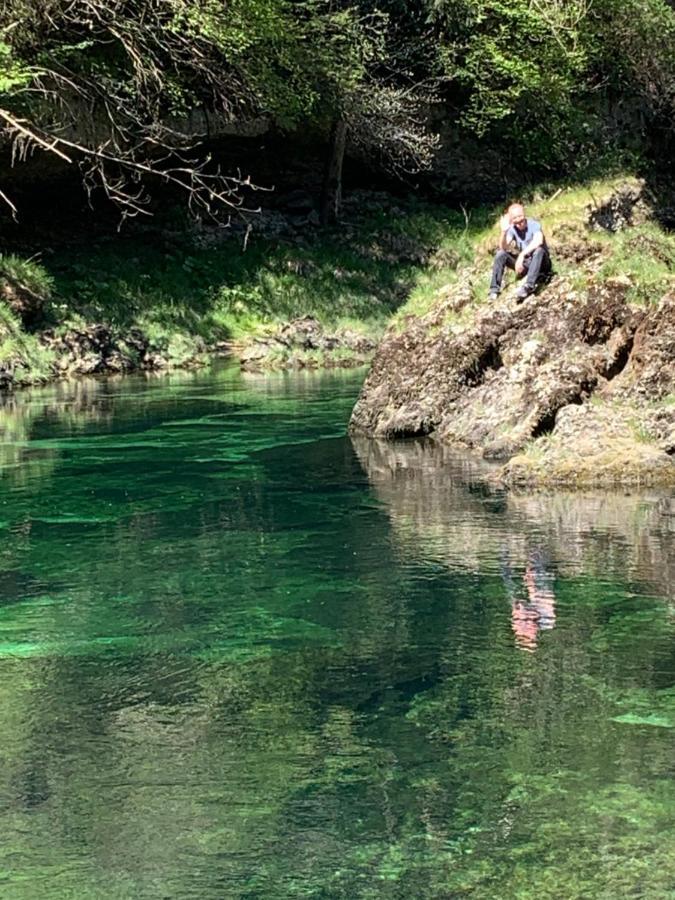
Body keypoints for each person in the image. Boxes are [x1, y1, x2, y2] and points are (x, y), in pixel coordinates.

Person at [488, 203, 552, 301]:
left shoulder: (534, 224)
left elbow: (538, 241)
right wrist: (504, 232)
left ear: (524, 215)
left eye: (520, 219)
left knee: (539, 250)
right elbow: (503, 247)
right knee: (500, 255)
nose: (519, 223)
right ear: (511, 220)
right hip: (526, 263)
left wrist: (521, 255)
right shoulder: (512, 229)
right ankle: (494, 290)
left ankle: (529, 286)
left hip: (541, 262)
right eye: (515, 220)